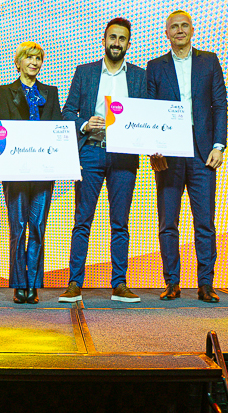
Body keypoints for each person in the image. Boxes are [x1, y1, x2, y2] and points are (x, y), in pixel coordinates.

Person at [60, 18, 147, 304]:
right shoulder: (85, 72)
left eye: (122, 39)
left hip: (124, 156)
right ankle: (74, 283)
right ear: (104, 40)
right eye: (112, 37)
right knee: (82, 220)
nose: (116, 43)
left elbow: (147, 115)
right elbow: (67, 112)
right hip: (91, 151)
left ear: (128, 44)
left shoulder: (139, 76)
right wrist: (85, 124)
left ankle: (119, 284)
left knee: (120, 223)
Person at [147, 10, 227, 303]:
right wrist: (153, 147)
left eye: (184, 26)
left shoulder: (209, 61)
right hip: (168, 153)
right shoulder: (155, 66)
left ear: (192, 30)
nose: (179, 30)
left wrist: (219, 145)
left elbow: (220, 104)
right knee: (168, 222)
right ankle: (172, 282)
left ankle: (205, 284)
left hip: (203, 152)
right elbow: (149, 108)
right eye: (174, 27)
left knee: (204, 222)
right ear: (166, 33)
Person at [0, 41, 63, 305]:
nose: (34, 62)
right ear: (18, 62)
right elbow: (2, 129)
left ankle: (33, 285)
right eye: (29, 58)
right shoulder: (4, 91)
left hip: (44, 169)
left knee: (37, 226)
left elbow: (57, 128)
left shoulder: (50, 92)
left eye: (38, 58)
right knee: (18, 227)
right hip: (16, 168)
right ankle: (18, 284)